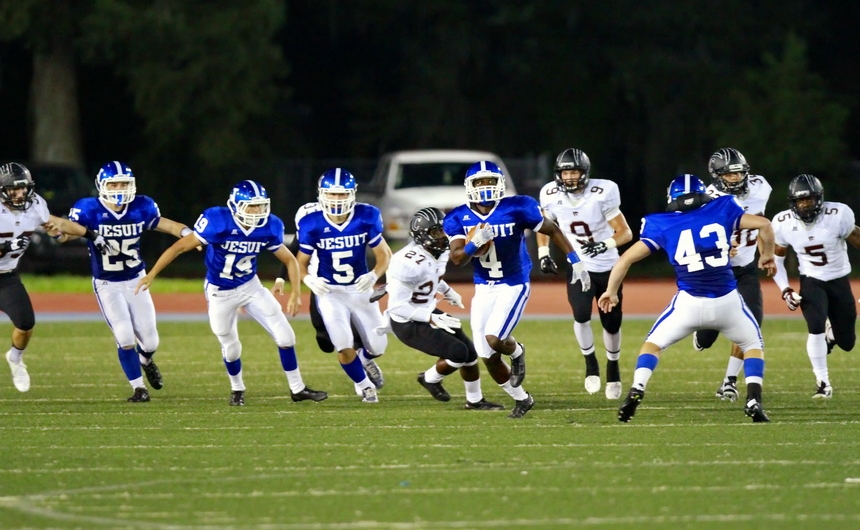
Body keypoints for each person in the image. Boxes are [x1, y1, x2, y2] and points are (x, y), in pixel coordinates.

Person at [598, 174, 775, 423]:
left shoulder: (661, 223)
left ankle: (637, 389)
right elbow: (764, 224)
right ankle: (753, 399)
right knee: (752, 345)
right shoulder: (722, 207)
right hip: (727, 302)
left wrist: (611, 291)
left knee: (652, 345)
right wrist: (766, 254)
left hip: (689, 303)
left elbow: (625, 259)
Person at [135, 180, 327, 406]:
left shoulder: (269, 226)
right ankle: (237, 389)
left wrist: (295, 291)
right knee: (231, 347)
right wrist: (152, 273)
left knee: (286, 336)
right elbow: (178, 247)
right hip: (220, 292)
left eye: (261, 206)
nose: (258, 212)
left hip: (250, 286)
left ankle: (298, 389)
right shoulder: (217, 222)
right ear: (236, 206)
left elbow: (289, 259)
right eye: (252, 207)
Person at [444, 160, 590, 419]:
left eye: (491, 181)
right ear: (470, 186)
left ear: (500, 183)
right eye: (480, 182)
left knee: (494, 338)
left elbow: (552, 229)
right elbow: (457, 258)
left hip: (513, 283)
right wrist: (472, 244)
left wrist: (575, 261)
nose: (486, 186)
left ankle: (517, 351)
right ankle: (523, 399)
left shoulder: (517, 206)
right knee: (485, 354)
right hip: (484, 286)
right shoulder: (458, 216)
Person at [53, 161, 194, 402]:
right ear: (102, 186)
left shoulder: (142, 206)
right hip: (107, 283)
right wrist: (59, 233)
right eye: (114, 183)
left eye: (124, 183)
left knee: (150, 341)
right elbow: (65, 234)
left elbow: (170, 225)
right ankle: (139, 388)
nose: (119, 188)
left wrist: (190, 235)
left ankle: (146, 360)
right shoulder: (88, 209)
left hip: (136, 280)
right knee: (125, 336)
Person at [380, 207, 504, 410]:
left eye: (444, 231)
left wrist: (447, 291)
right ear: (422, 235)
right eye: (437, 232)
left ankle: (474, 401)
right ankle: (429, 378)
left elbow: (431, 276)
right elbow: (396, 307)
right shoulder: (406, 262)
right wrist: (430, 317)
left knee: (470, 353)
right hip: (407, 321)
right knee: (457, 352)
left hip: (427, 311)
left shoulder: (439, 253)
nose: (443, 237)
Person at [1, 162, 110, 393]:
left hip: (5, 276)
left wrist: (92, 236)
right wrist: (5, 246)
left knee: (25, 324)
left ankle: (15, 358)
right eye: (13, 189)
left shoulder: (35, 205)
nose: (20, 194)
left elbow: (58, 223)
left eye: (23, 188)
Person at [536, 148, 633, 399]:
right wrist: (543, 253)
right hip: (579, 265)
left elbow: (625, 233)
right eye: (566, 172)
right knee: (580, 315)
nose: (569, 177)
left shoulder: (603, 192)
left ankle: (613, 367)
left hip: (609, 266)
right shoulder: (550, 194)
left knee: (611, 322)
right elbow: (543, 225)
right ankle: (591, 364)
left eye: (575, 171)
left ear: (585, 173)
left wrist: (605, 244)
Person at [295, 168, 391, 403]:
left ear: (353, 194)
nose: (337, 200)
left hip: (360, 289)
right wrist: (308, 278)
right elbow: (300, 263)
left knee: (379, 346)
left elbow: (385, 254)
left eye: (342, 194)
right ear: (321, 195)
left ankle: (366, 359)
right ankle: (364, 385)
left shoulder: (366, 216)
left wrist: (374, 274)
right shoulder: (312, 223)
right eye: (332, 194)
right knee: (342, 343)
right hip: (331, 292)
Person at [693, 148, 772, 402]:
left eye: (738, 173)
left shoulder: (761, 187)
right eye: (728, 174)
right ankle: (701, 331)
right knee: (707, 336)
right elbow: (690, 237)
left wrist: (765, 253)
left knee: (751, 322)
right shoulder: (706, 198)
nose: (735, 179)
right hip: (717, 270)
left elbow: (761, 224)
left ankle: (729, 381)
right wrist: (719, 246)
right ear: (717, 176)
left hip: (746, 267)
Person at [771, 174, 860, 399]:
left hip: (839, 280)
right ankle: (823, 383)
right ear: (792, 202)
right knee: (815, 326)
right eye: (800, 201)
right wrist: (785, 289)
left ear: (819, 199)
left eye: (809, 200)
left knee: (847, 342)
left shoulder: (838, 215)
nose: (805, 205)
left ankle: (833, 336)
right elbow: (776, 260)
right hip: (811, 280)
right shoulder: (783, 223)